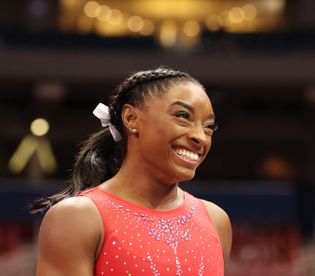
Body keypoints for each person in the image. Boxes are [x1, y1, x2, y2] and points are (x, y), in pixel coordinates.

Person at [32, 67, 232, 276]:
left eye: (209, 127)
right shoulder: (78, 218)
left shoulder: (216, 220)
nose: (200, 137)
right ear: (131, 118)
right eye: (183, 116)